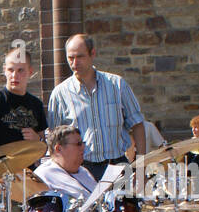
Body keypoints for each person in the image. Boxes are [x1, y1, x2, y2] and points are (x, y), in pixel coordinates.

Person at [47, 33, 146, 179]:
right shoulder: (60, 94)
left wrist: (141, 165)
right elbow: (54, 140)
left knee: (127, 202)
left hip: (118, 166)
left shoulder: (117, 85)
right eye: (70, 58)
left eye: (80, 57)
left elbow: (137, 124)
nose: (74, 63)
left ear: (92, 54)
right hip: (81, 171)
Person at [0, 46, 48, 212]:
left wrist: (37, 140)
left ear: (30, 72)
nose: (15, 75)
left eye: (21, 70)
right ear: (4, 71)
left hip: (27, 187)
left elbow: (43, 150)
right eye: (11, 70)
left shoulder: (36, 105)